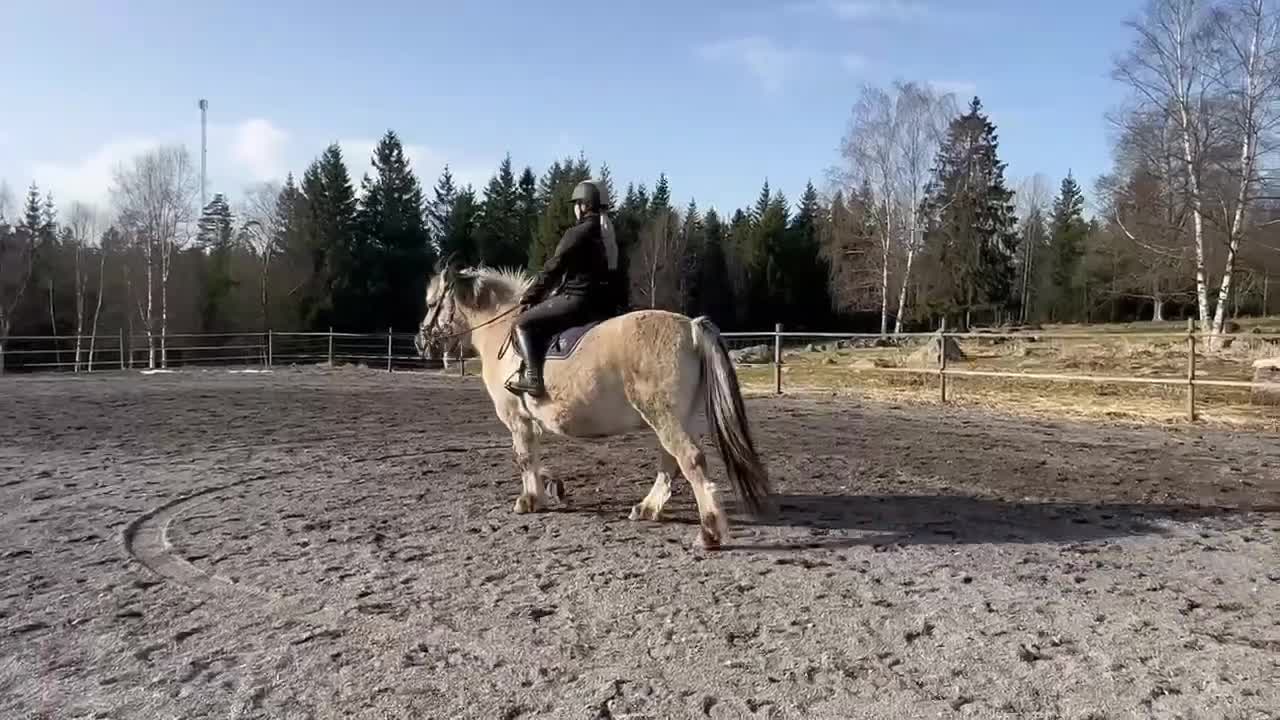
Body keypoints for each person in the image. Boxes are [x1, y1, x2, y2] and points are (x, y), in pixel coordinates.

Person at [505, 180, 619, 397]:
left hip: (578, 300)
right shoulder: (608, 233)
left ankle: (533, 378)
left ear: (584, 205)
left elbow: (554, 267)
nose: (575, 208)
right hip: (604, 304)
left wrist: (531, 295)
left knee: (522, 323)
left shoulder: (578, 232)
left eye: (576, 204)